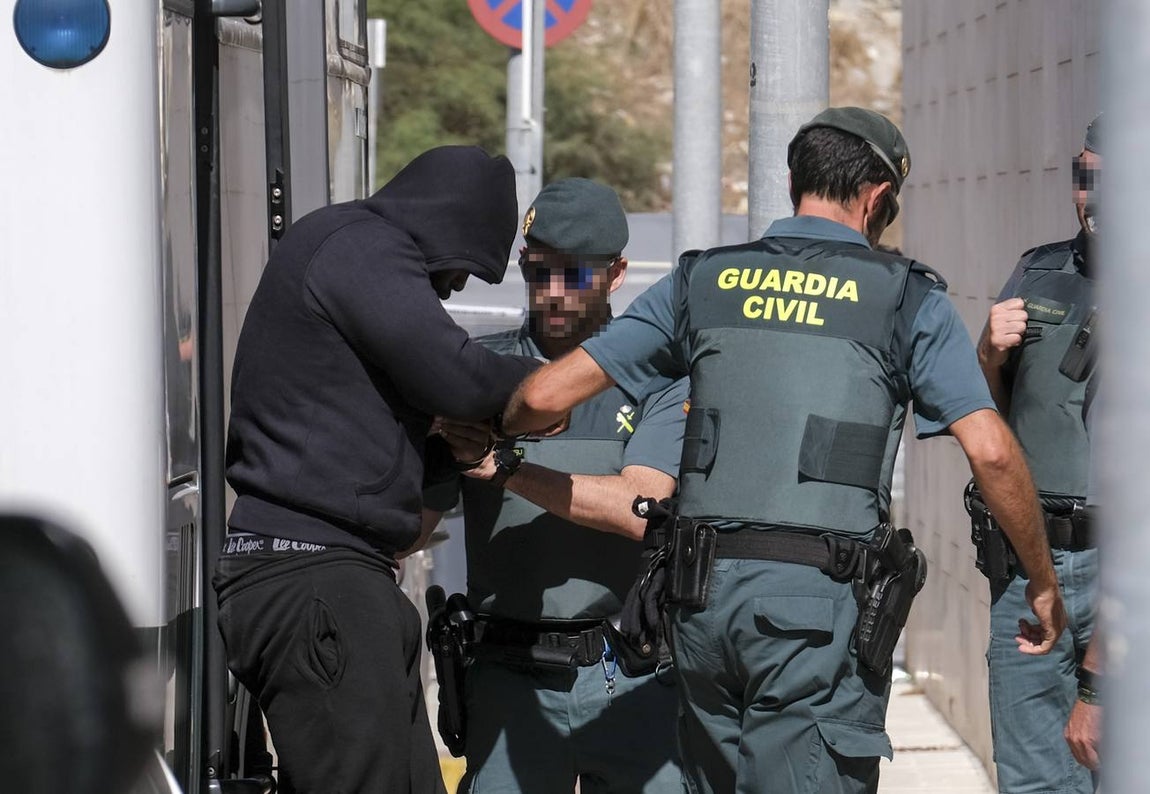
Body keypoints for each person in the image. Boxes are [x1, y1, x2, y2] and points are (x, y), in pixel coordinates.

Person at [498, 107, 1067, 793]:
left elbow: (543, 395)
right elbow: (994, 454)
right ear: (878, 198)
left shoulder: (701, 280)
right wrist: (1041, 580)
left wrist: (506, 433)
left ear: (794, 182)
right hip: (814, 620)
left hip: (700, 605)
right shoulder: (905, 298)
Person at [213, 146, 539, 794]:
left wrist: (453, 448)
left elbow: (395, 431)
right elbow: (457, 376)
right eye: (463, 269)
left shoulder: (350, 249)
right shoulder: (359, 245)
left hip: (337, 580)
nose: (453, 289)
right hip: (314, 577)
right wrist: (555, 384)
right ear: (447, 224)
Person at [424, 178, 687, 793]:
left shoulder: (659, 379)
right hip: (507, 675)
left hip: (633, 673)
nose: (555, 290)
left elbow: (640, 509)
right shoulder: (476, 373)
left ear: (616, 275)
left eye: (576, 273)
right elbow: (413, 524)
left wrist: (506, 466)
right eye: (541, 271)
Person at [977, 115, 1102, 792]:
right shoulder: (1037, 269)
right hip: (1031, 565)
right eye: (1085, 177)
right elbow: (992, 417)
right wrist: (989, 355)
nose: (1094, 196)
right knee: (1030, 778)